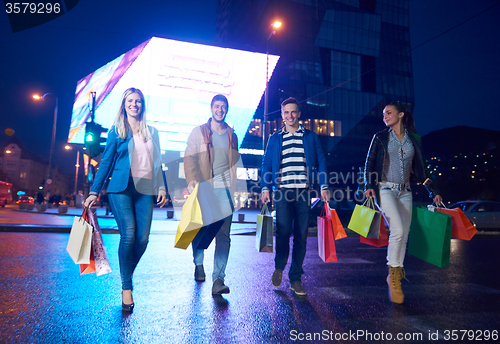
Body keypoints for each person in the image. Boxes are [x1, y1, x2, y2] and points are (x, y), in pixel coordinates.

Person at [83, 87, 166, 311]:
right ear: (124, 104)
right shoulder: (116, 131)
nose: (134, 105)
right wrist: (94, 191)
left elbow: (158, 162)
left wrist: (162, 187)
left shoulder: (152, 132)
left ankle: (125, 273)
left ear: (142, 105)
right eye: (130, 101)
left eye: (138, 101)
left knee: (143, 239)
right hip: (120, 189)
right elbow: (106, 163)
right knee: (128, 235)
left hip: (145, 189)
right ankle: (126, 287)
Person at [364, 101, 442, 304]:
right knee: (397, 230)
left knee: (404, 234)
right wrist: (369, 185)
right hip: (385, 189)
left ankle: (395, 274)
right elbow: (369, 164)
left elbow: (421, 169)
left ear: (400, 115)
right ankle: (393, 275)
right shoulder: (380, 137)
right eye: (383, 114)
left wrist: (433, 190)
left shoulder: (414, 139)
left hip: (405, 192)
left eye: (389, 113)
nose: (385, 116)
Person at [261, 97, 329, 296]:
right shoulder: (275, 138)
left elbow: (321, 162)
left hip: (303, 192)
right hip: (282, 191)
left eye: (293, 112)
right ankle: (279, 266)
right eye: (286, 112)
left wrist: (324, 186)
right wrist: (265, 188)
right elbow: (266, 165)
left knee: (301, 235)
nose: (290, 116)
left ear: (299, 114)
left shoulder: (310, 137)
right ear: (282, 115)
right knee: (282, 232)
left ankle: (296, 278)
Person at [184, 94, 239, 295]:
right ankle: (198, 263)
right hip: (204, 188)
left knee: (223, 235)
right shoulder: (198, 132)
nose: (219, 110)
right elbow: (189, 158)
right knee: (201, 230)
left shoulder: (232, 135)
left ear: (226, 109)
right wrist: (191, 179)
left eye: (223, 107)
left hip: (225, 191)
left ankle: (219, 279)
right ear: (211, 108)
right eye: (216, 106)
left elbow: (234, 163)